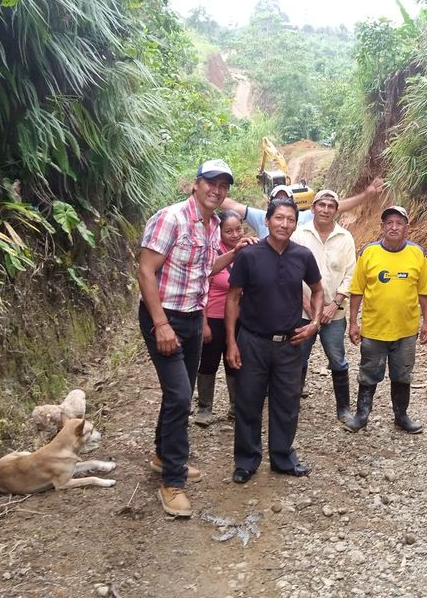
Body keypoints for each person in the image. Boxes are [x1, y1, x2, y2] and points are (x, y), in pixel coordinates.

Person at [137, 159, 247, 517]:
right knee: (181, 396)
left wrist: (234, 254)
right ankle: (172, 481)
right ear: (196, 184)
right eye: (211, 182)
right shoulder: (170, 218)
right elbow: (146, 271)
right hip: (164, 316)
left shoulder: (213, 225)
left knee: (178, 393)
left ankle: (162, 455)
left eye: (223, 185)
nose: (217, 190)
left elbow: (205, 269)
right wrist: (160, 323)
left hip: (192, 317)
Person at [224, 198, 324, 484]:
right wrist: (231, 342)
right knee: (248, 401)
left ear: (296, 224)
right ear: (267, 221)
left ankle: (282, 458)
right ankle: (246, 461)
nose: (284, 224)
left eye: (290, 219)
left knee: (287, 403)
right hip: (252, 341)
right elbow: (233, 298)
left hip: (289, 344)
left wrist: (315, 323)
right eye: (279, 218)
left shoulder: (303, 256)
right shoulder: (249, 256)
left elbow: (317, 290)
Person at [345, 205, 427, 434]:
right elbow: (357, 290)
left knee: (402, 375)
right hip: (374, 329)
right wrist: (353, 323)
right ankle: (362, 415)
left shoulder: (417, 253)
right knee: (368, 374)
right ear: (382, 226)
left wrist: (426, 322)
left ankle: (401, 416)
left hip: (406, 330)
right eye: (389, 223)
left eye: (399, 223)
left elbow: (425, 291)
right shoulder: (369, 253)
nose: (394, 227)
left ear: (407, 228)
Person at [292, 189, 358, 423]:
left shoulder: (345, 238)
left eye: (331, 206)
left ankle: (344, 409)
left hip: (334, 313)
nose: (326, 210)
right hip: (302, 311)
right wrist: (308, 306)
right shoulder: (299, 235)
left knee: (338, 359)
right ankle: (291, 404)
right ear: (313, 208)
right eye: (321, 205)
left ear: (336, 211)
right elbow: (290, 274)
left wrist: (334, 304)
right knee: (298, 358)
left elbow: (351, 274)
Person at [194, 209, 245, 426]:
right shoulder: (213, 254)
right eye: (229, 231)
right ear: (219, 232)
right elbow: (201, 290)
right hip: (214, 317)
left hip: (240, 318)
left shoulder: (248, 251)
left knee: (235, 361)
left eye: (238, 229)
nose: (235, 235)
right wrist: (204, 323)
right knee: (209, 362)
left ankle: (236, 406)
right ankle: (204, 408)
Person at [222, 177, 385, 239]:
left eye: (285, 200)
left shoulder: (305, 217)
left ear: (293, 204)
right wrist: (209, 198)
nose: (281, 203)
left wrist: (365, 195)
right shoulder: (260, 217)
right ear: (270, 204)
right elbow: (233, 206)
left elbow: (336, 207)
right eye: (277, 199)